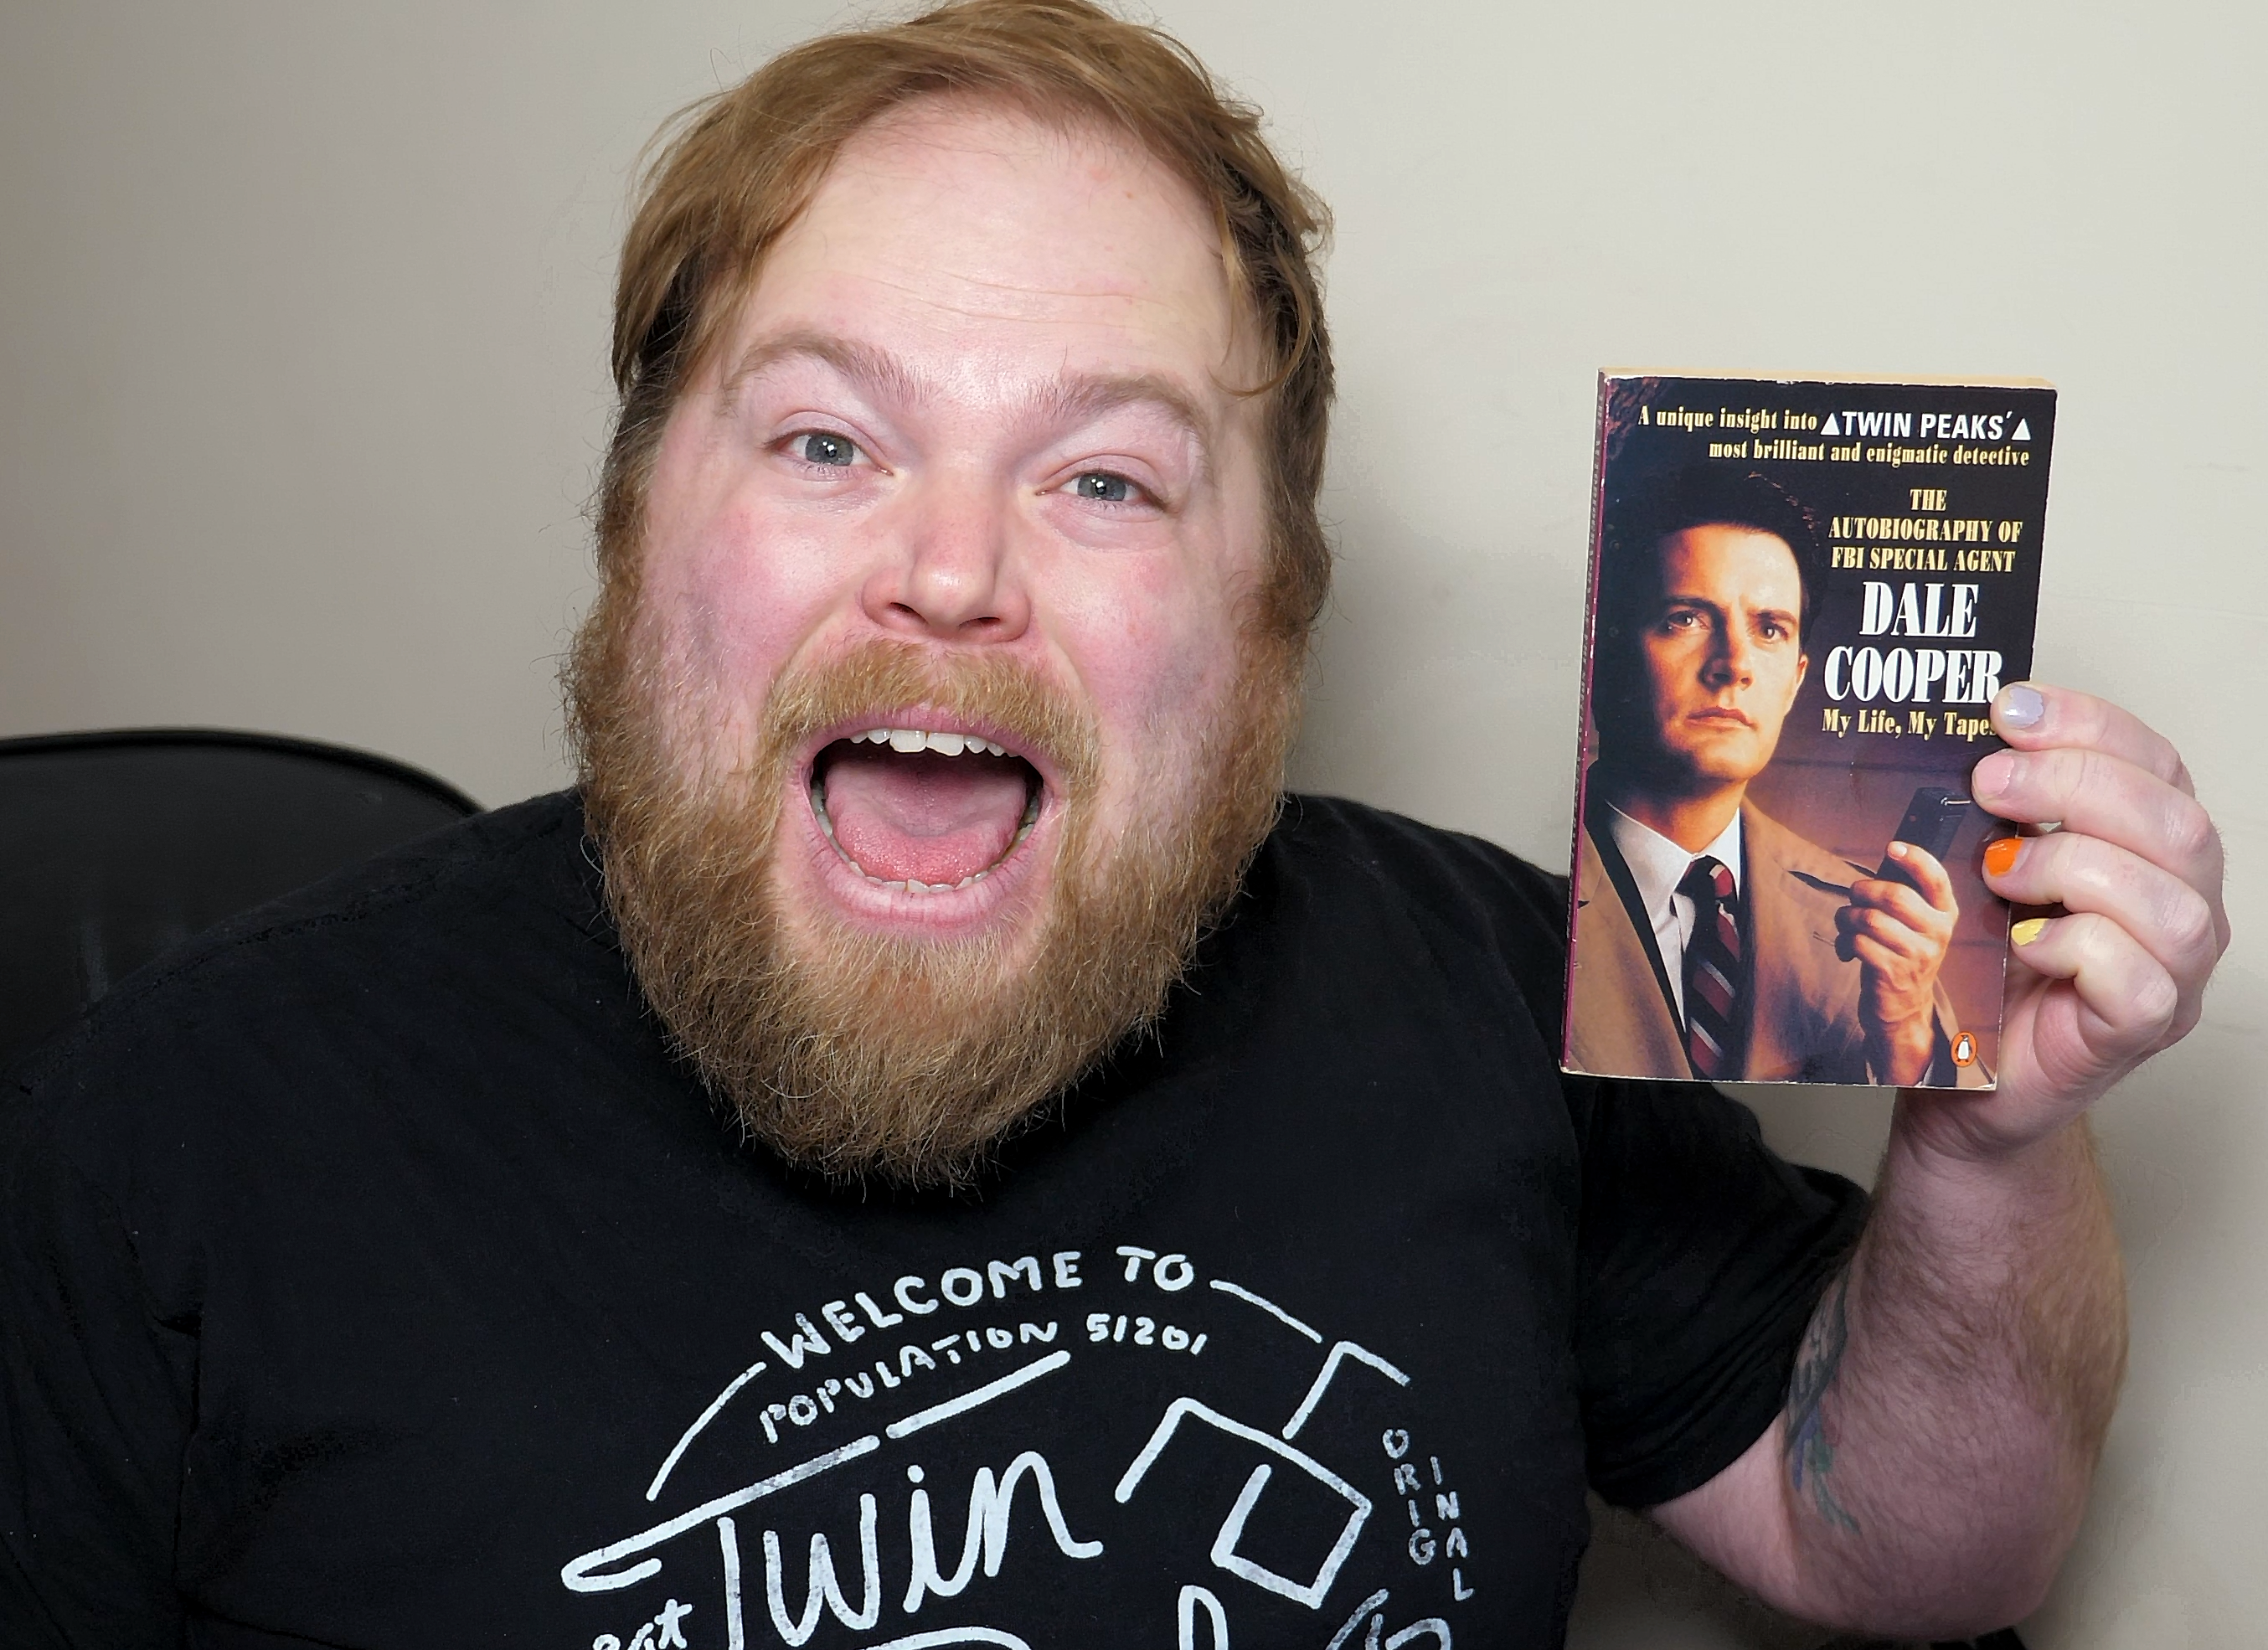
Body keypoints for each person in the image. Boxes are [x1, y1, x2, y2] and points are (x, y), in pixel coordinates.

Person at [0, 3, 2225, 1647]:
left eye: (1105, 480)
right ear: (630, 537)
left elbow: (1909, 1549)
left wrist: (1990, 1145)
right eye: (822, 443)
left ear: (1268, 623)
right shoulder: (169, 1142)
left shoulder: (1482, 998)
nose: (951, 571)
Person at [1566, 465, 1968, 1086]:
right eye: (1686, 618)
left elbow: (1958, 1139)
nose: (1735, 665)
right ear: (1609, 653)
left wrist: (1909, 1030)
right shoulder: (1530, 875)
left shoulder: (1870, 925)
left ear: (1797, 680)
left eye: (1770, 629)